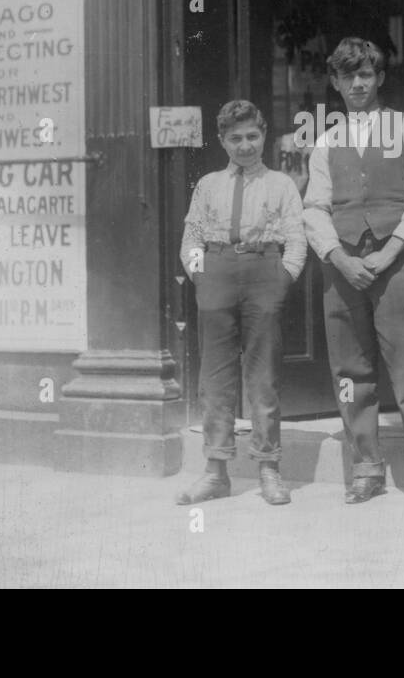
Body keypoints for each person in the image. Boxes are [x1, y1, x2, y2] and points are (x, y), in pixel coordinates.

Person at [302, 37, 404, 511]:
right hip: (344, 268)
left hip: (399, 264)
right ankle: (366, 469)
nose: (358, 84)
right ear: (336, 83)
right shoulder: (325, 143)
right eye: (349, 76)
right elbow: (314, 209)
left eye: (366, 74)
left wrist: (389, 252)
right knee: (351, 372)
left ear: (380, 78)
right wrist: (338, 258)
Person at [177, 100, 306, 506]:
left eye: (252, 136)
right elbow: (191, 238)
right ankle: (216, 471)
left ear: (264, 135)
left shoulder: (281, 184)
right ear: (222, 141)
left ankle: (268, 468)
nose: (245, 145)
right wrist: (201, 276)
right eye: (236, 138)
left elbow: (297, 239)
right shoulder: (208, 184)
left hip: (263, 270)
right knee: (214, 378)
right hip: (216, 272)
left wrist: (282, 279)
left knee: (263, 376)